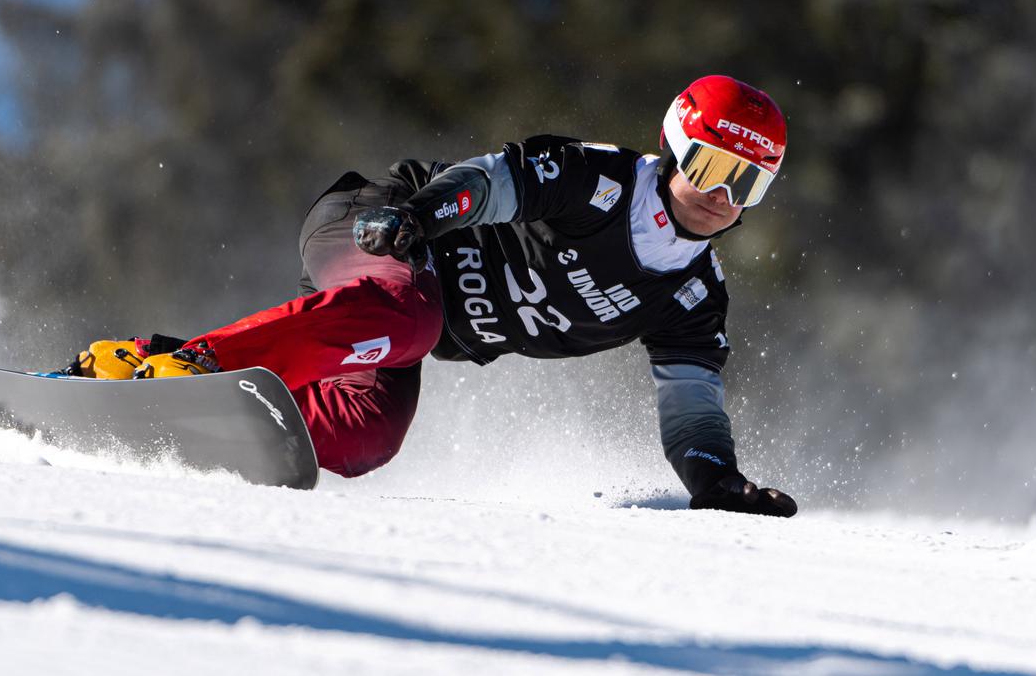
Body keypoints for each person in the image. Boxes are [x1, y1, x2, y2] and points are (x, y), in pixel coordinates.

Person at [68, 74, 798, 517]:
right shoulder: (600, 181)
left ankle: (166, 397)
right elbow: (492, 182)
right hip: (379, 227)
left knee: (366, 436)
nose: (723, 196)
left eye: (748, 183)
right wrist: (418, 216)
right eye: (710, 166)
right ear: (675, 146)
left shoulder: (694, 294)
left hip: (391, 324)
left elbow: (693, 410)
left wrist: (717, 482)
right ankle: (195, 365)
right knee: (412, 312)